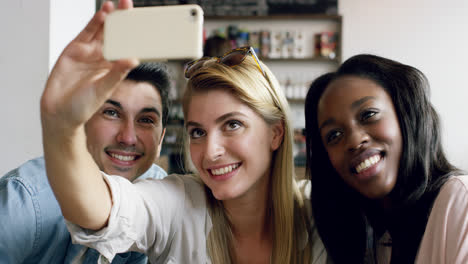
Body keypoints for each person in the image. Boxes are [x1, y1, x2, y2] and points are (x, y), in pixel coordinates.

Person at [40, 1, 328, 263]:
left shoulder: (321, 214)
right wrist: (60, 127)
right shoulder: (180, 203)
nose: (211, 151)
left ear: (276, 132)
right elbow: (101, 210)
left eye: (232, 125)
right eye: (198, 132)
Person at [0, 58, 170, 263]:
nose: (128, 138)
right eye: (112, 113)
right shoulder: (26, 200)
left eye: (146, 120)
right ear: (82, 121)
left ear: (161, 138)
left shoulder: (160, 194)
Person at [304, 54, 467, 263]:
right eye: (334, 135)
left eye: (368, 114)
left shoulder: (459, 199)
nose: (354, 141)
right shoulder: (380, 239)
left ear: (404, 112)